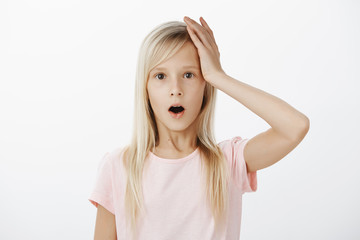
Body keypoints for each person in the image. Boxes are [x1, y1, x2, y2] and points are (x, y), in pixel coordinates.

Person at [88, 16, 310, 240]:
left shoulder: (228, 162)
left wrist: (218, 76)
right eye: (160, 76)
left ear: (206, 86)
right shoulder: (118, 167)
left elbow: (295, 126)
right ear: (145, 89)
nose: (176, 89)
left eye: (188, 75)